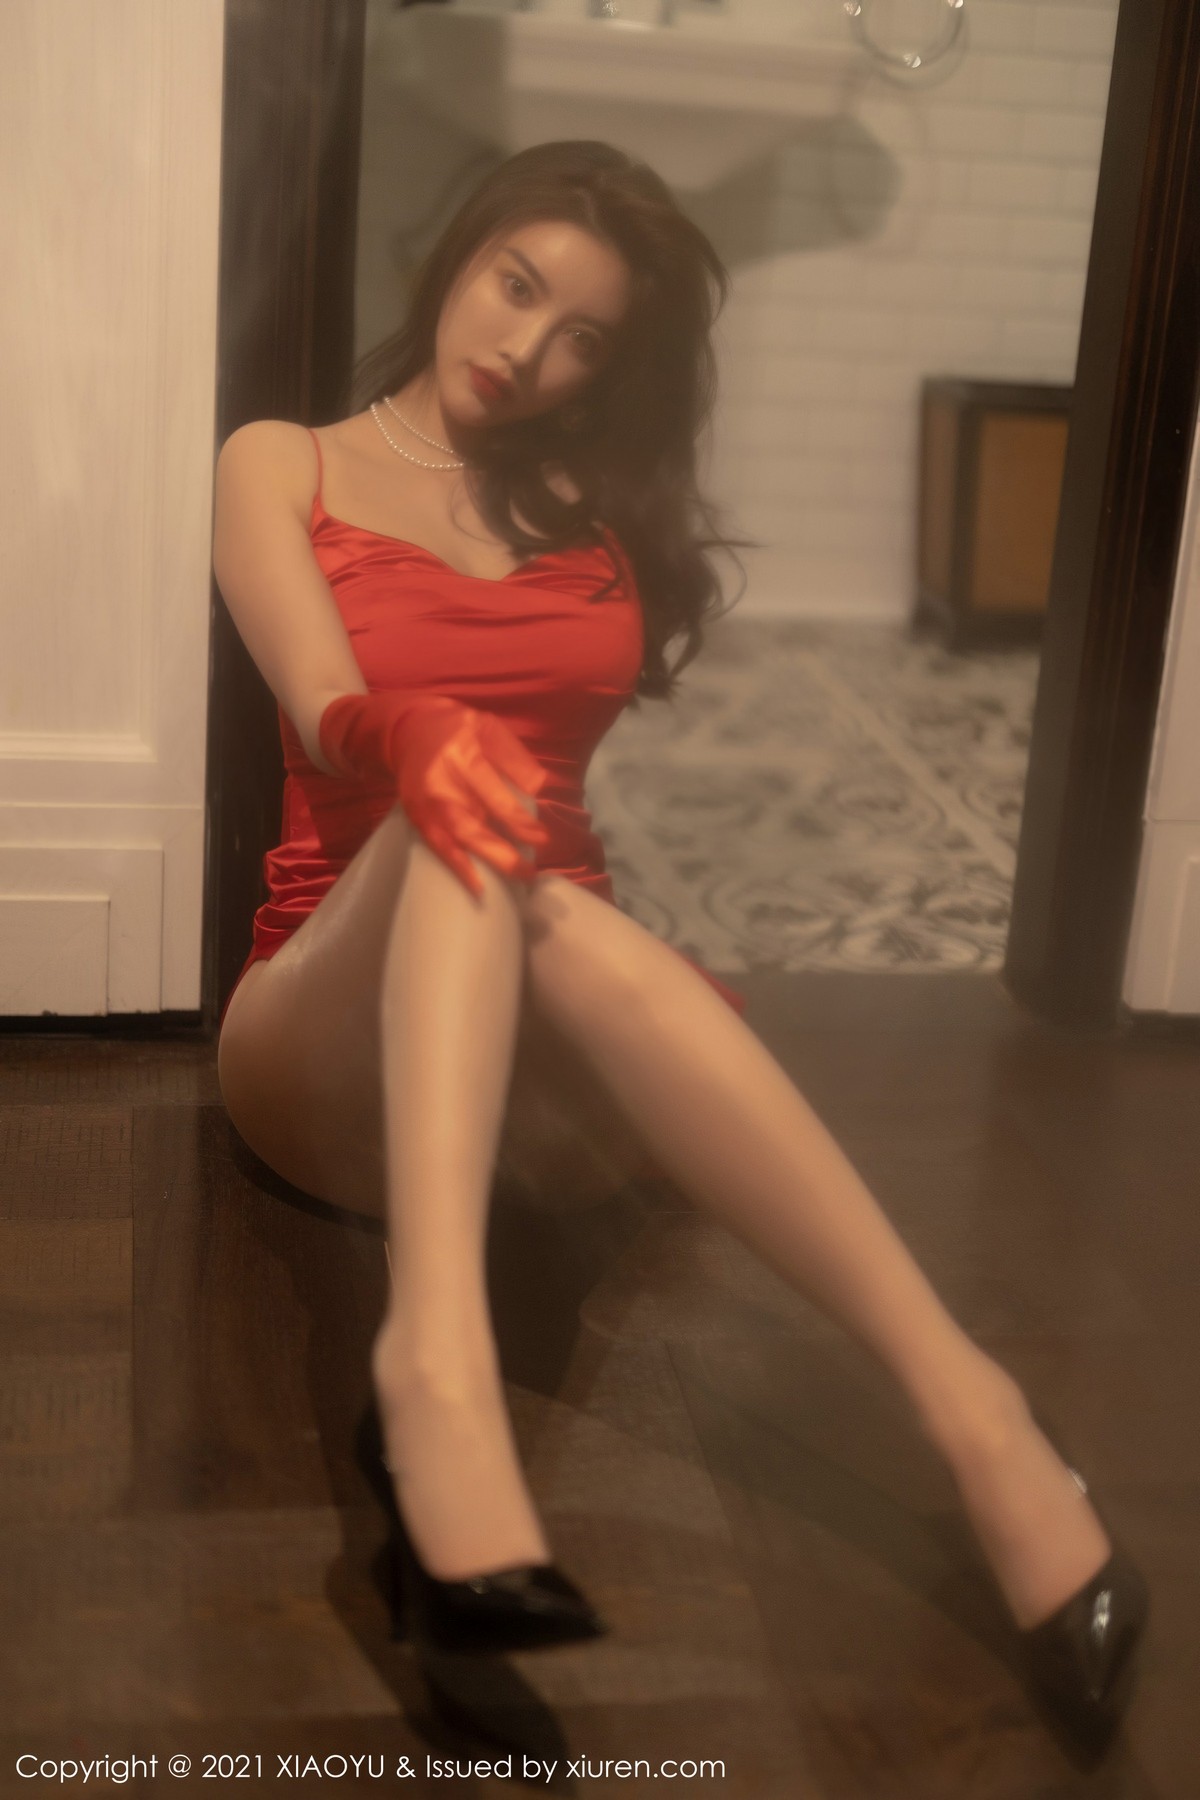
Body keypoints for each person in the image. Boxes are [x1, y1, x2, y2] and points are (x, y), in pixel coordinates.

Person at [213, 141, 1146, 1750]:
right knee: (459, 814)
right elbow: (317, 700)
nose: (528, 347)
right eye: (516, 285)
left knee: (519, 869)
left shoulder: (592, 502)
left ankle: (976, 1415)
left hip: (552, 1048)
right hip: (326, 1023)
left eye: (584, 335)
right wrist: (411, 726)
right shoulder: (280, 460)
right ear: (458, 255)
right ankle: (441, 1365)